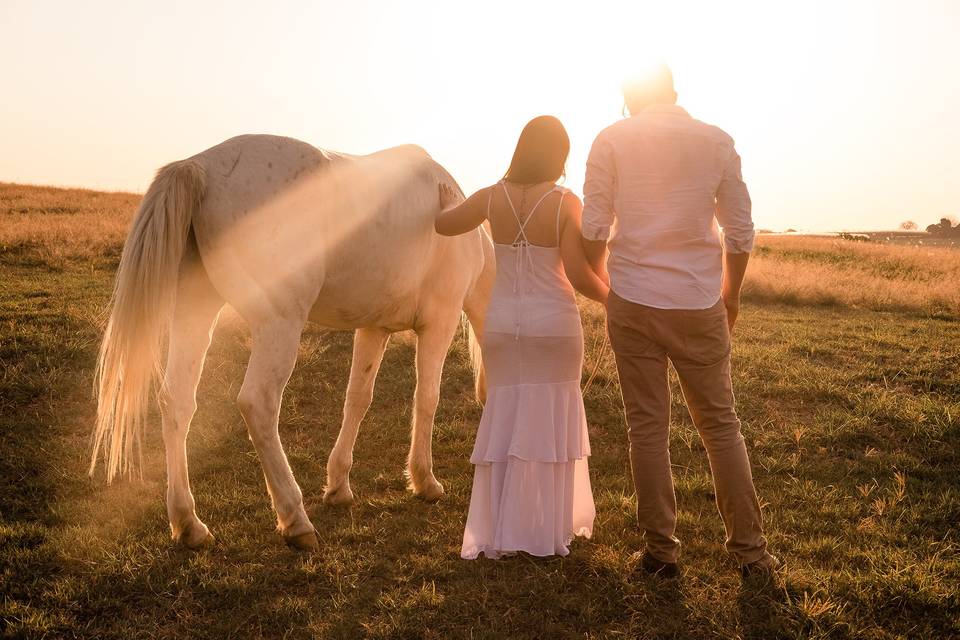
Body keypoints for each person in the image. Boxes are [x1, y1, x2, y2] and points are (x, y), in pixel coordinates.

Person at [581, 64, 779, 578]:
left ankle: (661, 553)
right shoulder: (716, 141)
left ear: (628, 98)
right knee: (720, 425)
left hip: (634, 300)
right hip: (698, 300)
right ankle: (750, 552)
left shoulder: (611, 139)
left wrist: (616, 284)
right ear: (674, 92)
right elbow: (740, 232)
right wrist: (730, 295)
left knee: (646, 428)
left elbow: (595, 225)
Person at [435, 115, 609, 559]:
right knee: (550, 423)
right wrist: (612, 299)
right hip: (553, 326)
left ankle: (503, 527)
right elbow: (577, 272)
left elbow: (445, 224)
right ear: (559, 157)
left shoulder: (491, 198)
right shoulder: (564, 202)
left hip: (502, 326)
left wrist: (439, 198)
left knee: (508, 421)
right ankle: (545, 529)